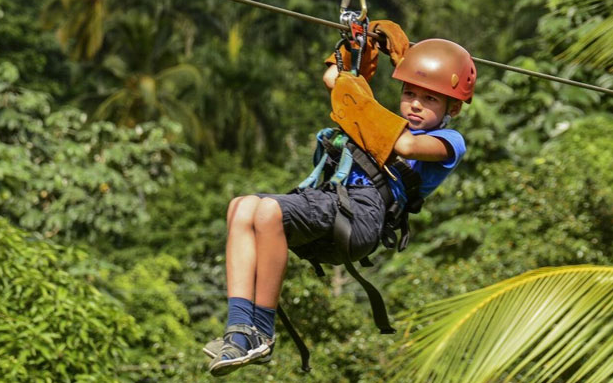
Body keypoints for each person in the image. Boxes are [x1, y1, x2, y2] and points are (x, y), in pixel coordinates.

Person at [204, 21, 477, 377]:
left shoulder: (449, 141)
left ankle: (263, 332)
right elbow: (334, 80)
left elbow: (404, 145)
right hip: (332, 199)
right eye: (409, 93)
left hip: (363, 215)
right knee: (240, 207)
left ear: (451, 109)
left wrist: (358, 93)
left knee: (268, 209)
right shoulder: (379, 121)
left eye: (430, 99)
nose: (414, 105)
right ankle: (239, 330)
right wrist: (356, 45)